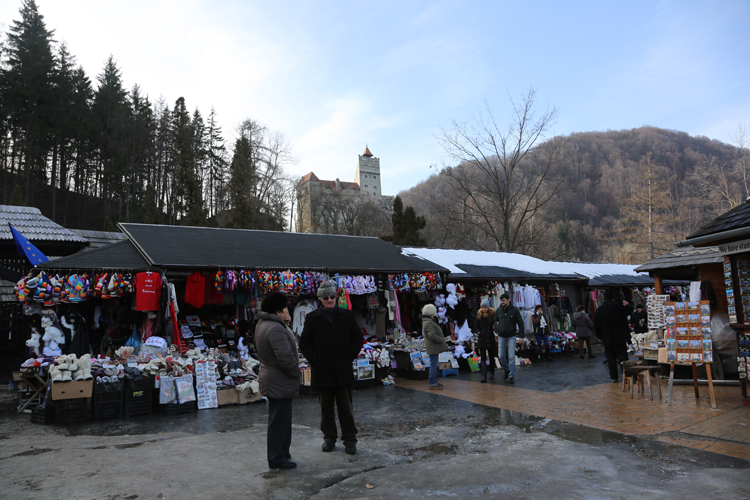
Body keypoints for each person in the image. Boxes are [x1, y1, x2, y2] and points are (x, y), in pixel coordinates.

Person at [299, 280, 363, 455]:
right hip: (322, 371)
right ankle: (329, 438)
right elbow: (304, 342)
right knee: (325, 410)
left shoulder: (347, 315)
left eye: (332, 297)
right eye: (326, 297)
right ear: (320, 299)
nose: (329, 300)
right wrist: (314, 358)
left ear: (336, 297)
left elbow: (358, 338)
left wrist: (349, 355)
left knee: (346, 408)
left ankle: (350, 440)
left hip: (342, 370)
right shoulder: (312, 318)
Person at [255, 292, 301, 470]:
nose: (288, 311)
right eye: (285, 309)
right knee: (279, 422)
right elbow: (285, 358)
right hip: (278, 379)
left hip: (273, 378)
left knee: (281, 419)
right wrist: (297, 372)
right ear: (278, 311)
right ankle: (276, 458)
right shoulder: (275, 328)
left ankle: (282, 452)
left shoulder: (264, 324)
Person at [593, 291, 634, 382]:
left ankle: (614, 378)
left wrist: (599, 336)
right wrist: (627, 305)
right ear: (613, 298)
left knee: (611, 359)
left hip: (607, 338)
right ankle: (626, 376)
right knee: (623, 357)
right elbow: (630, 310)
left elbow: (596, 325)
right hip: (620, 337)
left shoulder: (599, 310)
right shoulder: (618, 306)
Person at [493, 293, 525, 384]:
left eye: (504, 300)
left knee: (511, 356)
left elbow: (520, 323)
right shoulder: (499, 310)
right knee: (501, 355)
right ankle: (506, 369)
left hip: (511, 336)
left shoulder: (514, 310)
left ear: (508, 300)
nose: (502, 302)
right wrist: (497, 327)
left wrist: (521, 336)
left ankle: (511, 375)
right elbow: (495, 320)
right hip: (501, 336)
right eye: (501, 300)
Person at [422, 303, 449, 390]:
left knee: (434, 364)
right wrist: (441, 340)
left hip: (433, 347)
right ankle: (432, 383)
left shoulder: (426, 321)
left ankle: (434, 382)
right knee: (434, 364)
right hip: (433, 347)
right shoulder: (429, 323)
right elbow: (432, 335)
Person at [476, 299, 497, 383]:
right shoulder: (479, 316)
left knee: (491, 357)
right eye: (482, 307)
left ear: (488, 307)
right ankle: (484, 375)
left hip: (490, 338)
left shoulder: (492, 316)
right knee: (483, 357)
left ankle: (492, 372)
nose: (484, 309)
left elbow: (495, 324)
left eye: (485, 307)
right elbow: (476, 326)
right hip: (482, 339)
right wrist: (479, 332)